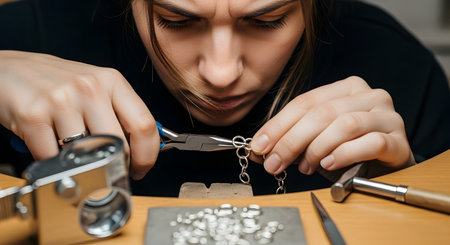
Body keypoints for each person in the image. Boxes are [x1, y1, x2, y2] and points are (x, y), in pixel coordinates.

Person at [0, 0, 449, 197]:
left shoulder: (395, 62)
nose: (220, 73)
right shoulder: (36, 31)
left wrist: (398, 185)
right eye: (176, 20)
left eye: (267, 20)